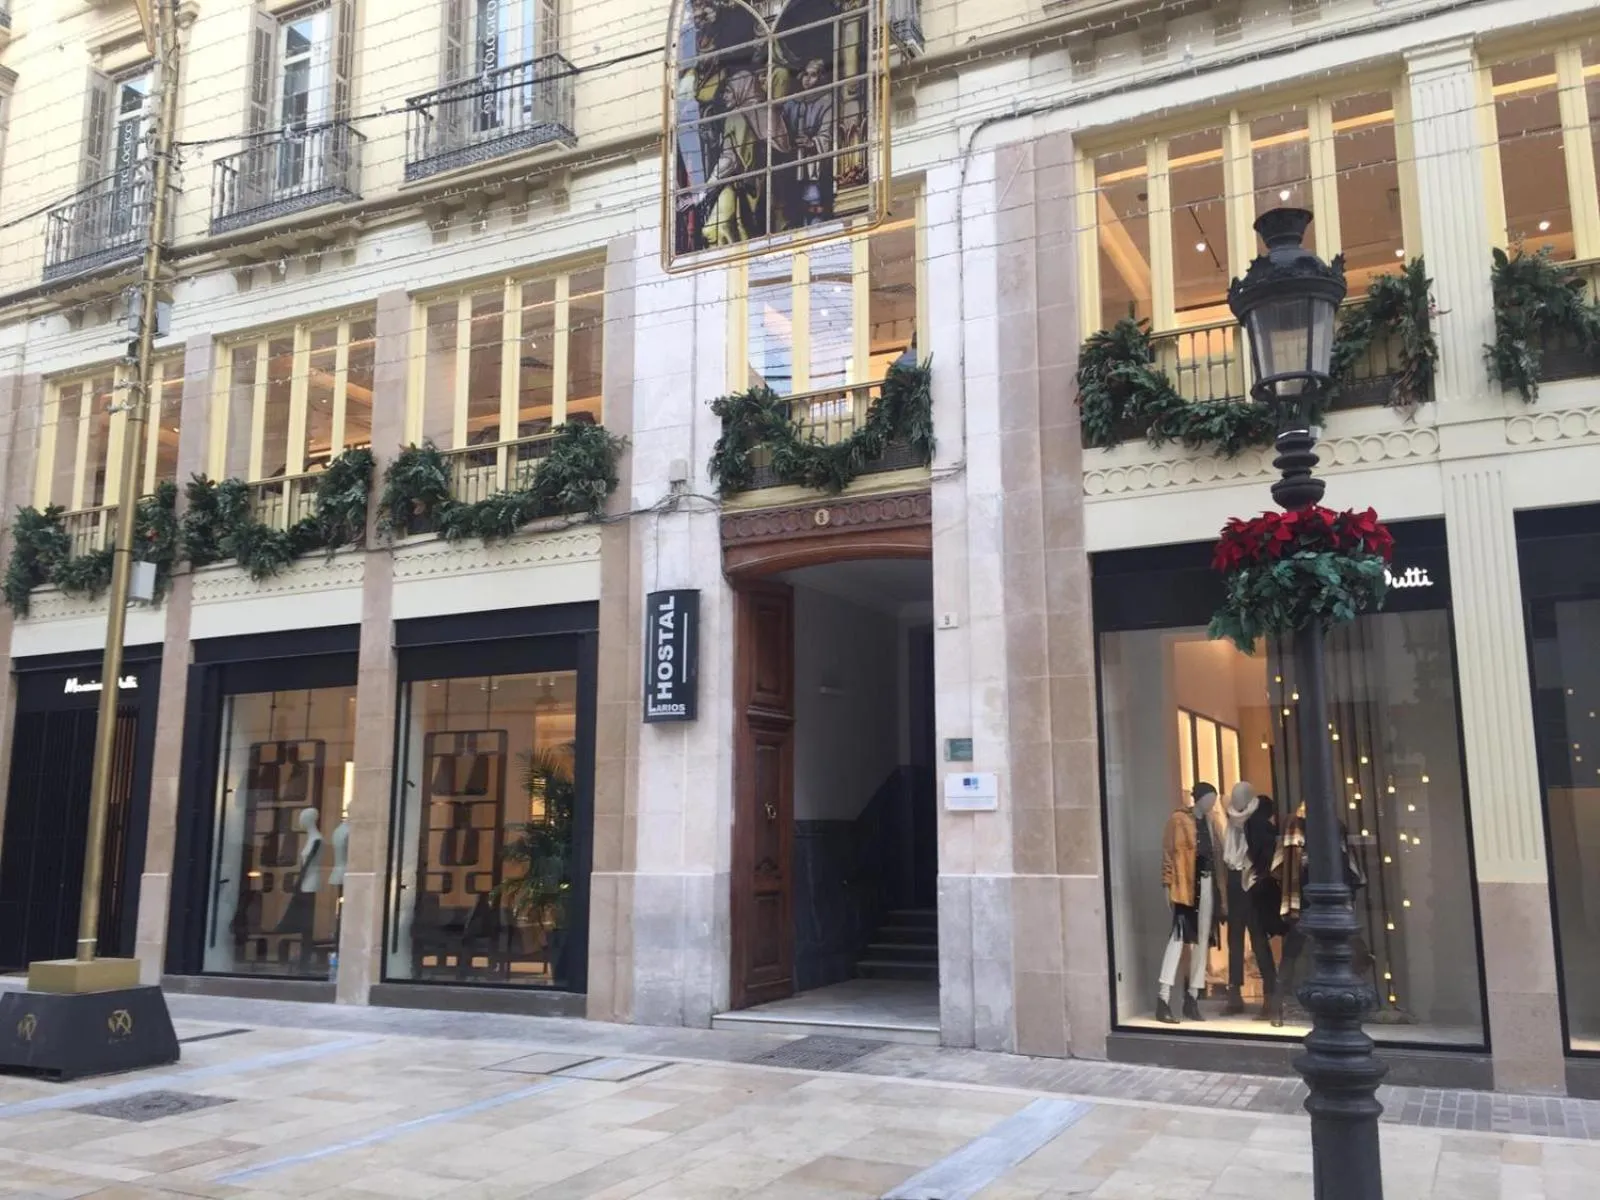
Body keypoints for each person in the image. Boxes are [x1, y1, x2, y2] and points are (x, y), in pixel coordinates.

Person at [1157, 782, 1222, 1023]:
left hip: (1206, 884)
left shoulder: (1211, 821)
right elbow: (1168, 853)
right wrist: (1167, 884)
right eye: (1209, 800)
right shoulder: (1178, 820)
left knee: (1202, 940)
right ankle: (1162, 998)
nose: (1212, 805)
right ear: (1199, 798)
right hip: (1185, 885)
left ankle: (1192, 998)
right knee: (1177, 939)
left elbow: (1217, 854)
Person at [1222, 782, 1279, 1019]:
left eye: (1240, 796)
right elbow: (1227, 857)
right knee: (1234, 940)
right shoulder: (1231, 823)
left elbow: (1267, 854)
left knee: (1258, 939)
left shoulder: (1259, 823)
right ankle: (1234, 993)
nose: (1236, 801)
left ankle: (1270, 995)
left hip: (1254, 884)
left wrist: (1259, 874)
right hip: (1235, 883)